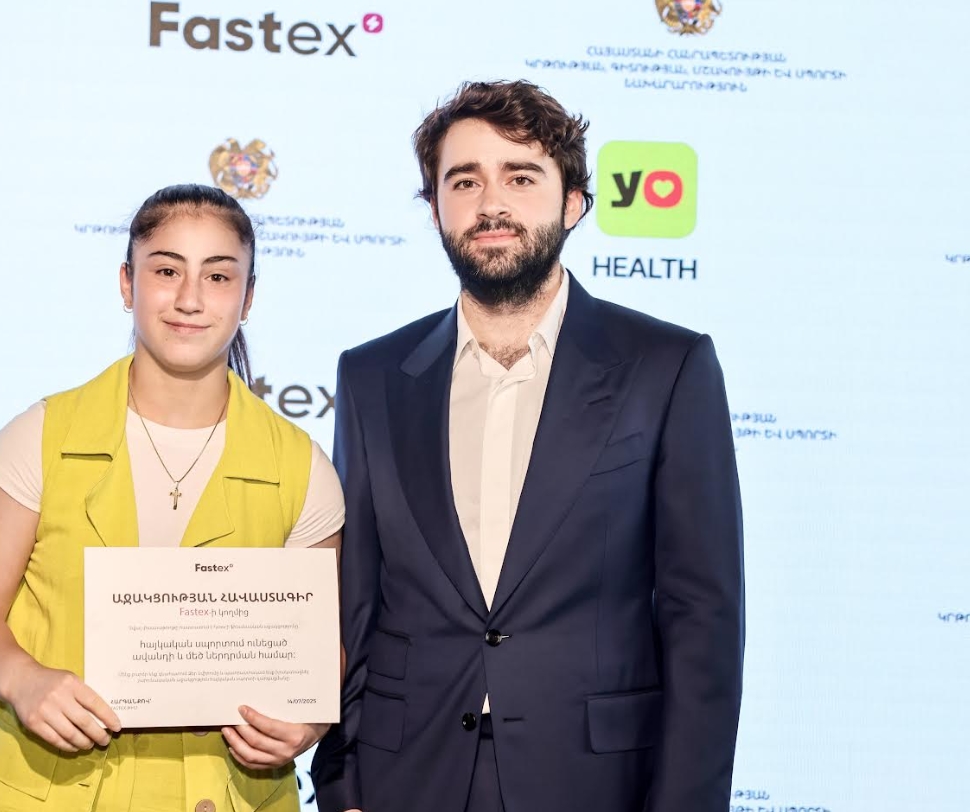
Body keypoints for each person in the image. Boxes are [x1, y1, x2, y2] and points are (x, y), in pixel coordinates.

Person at [311, 81, 744, 812]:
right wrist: (341, 783)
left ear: (572, 202)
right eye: (464, 181)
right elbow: (354, 601)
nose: (491, 204)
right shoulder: (372, 375)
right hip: (403, 777)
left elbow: (702, 618)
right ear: (434, 207)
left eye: (520, 177)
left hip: (595, 781)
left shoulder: (667, 368)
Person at [0, 183, 343, 812]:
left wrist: (309, 718)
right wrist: (23, 680)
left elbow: (319, 644)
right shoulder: (40, 437)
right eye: (166, 270)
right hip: (39, 790)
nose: (189, 298)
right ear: (127, 283)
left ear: (247, 297)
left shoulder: (302, 467)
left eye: (217, 276)